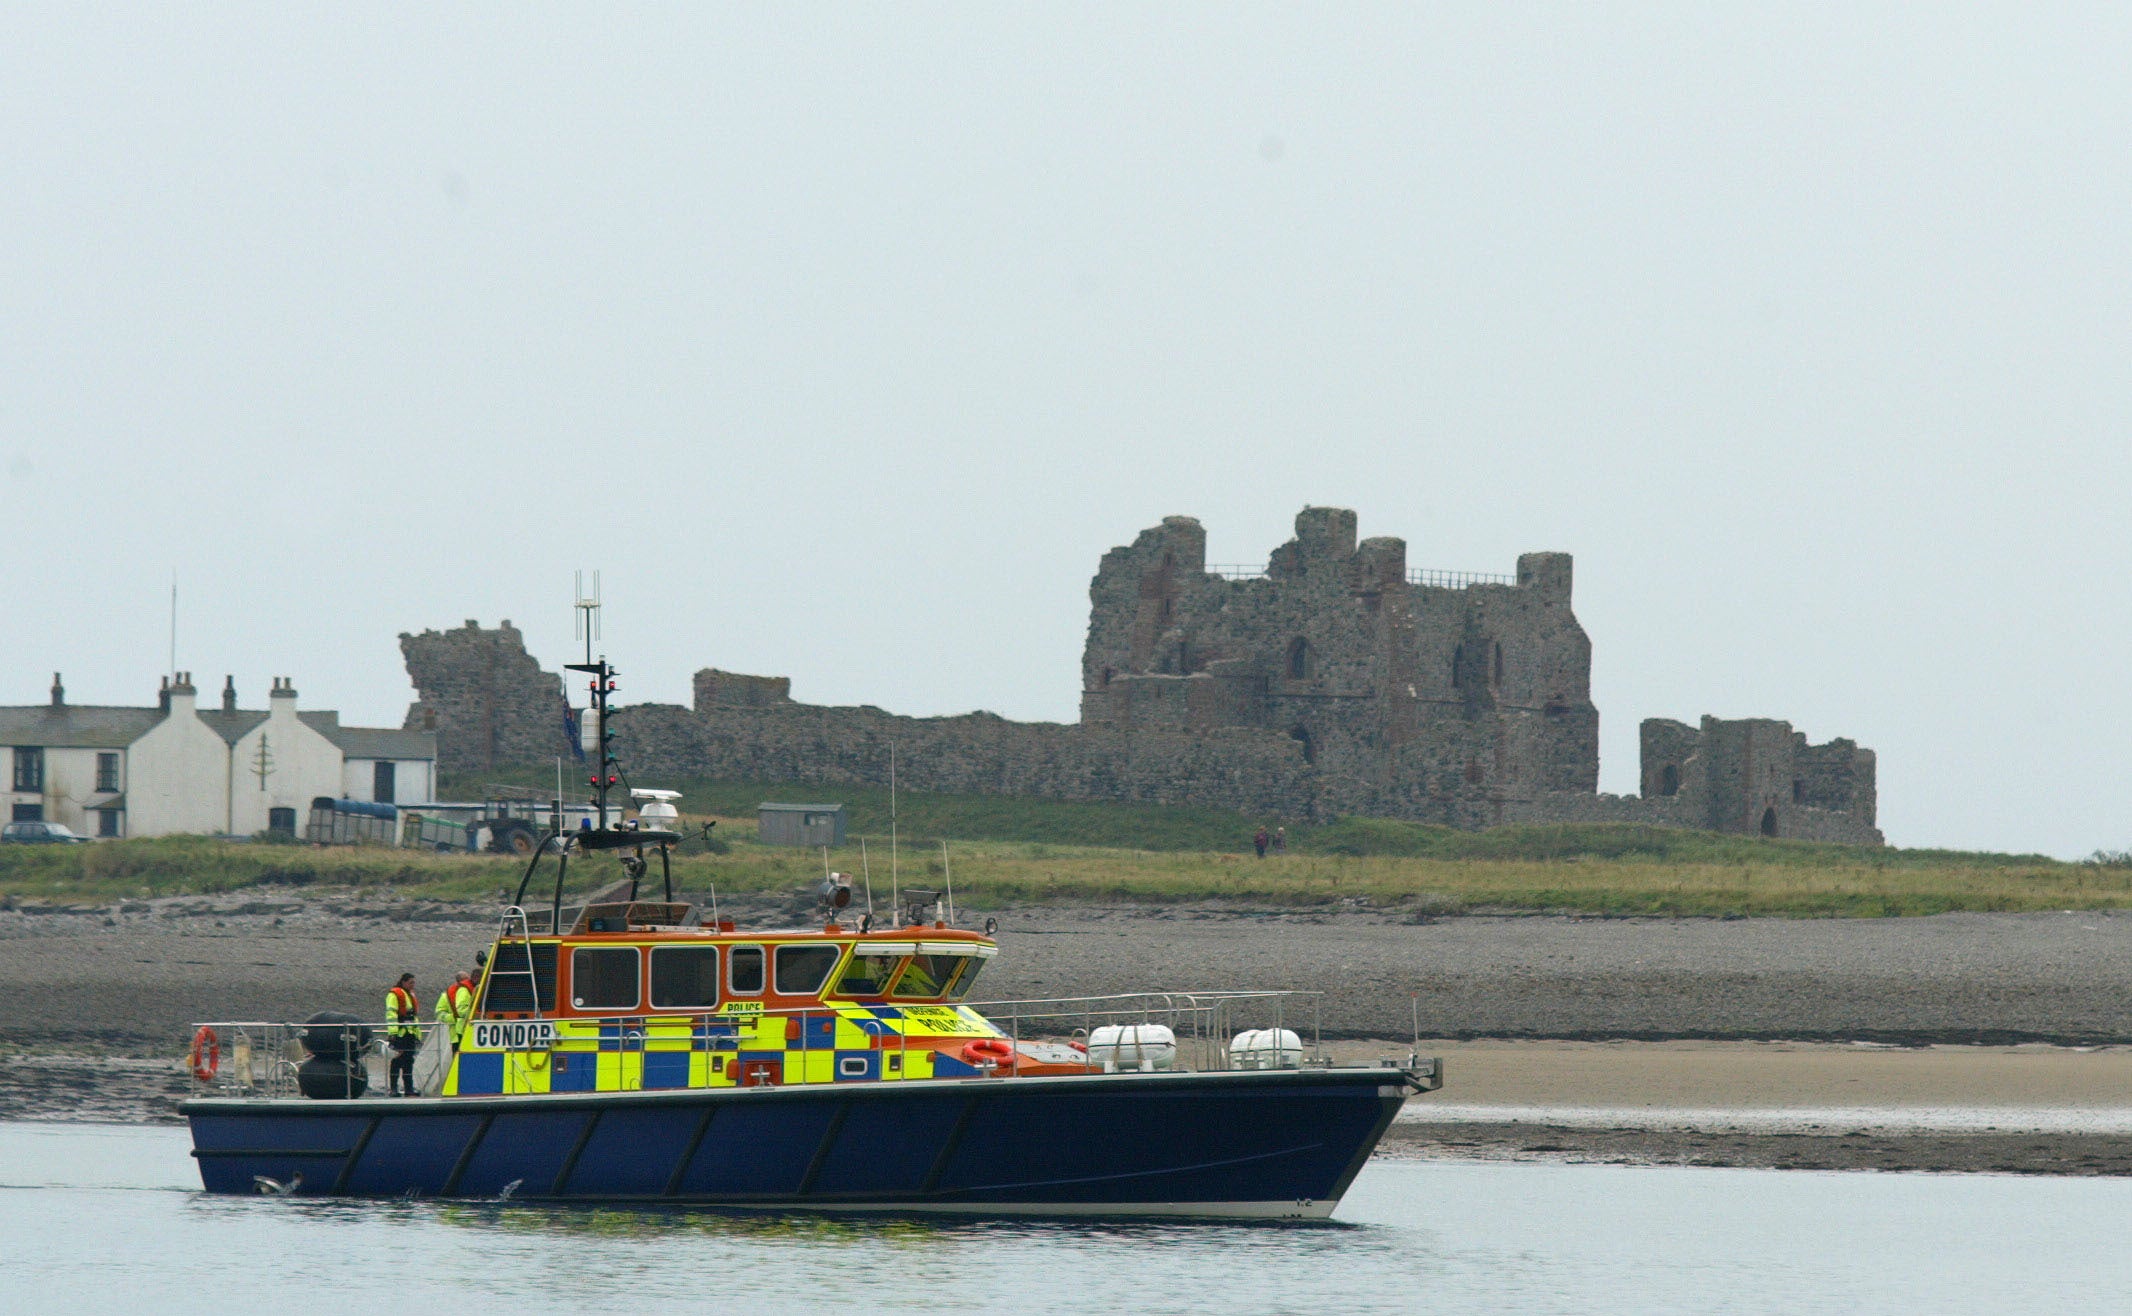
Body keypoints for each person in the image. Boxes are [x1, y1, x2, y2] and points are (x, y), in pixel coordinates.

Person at [385, 972, 421, 1096]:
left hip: (410, 1033)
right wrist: (393, 1033)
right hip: (399, 1034)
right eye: (411, 982)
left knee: (408, 1062)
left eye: (414, 983)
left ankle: (408, 1089)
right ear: (404, 982)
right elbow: (391, 1014)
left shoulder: (410, 994)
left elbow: (413, 1017)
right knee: (396, 1061)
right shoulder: (394, 994)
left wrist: (417, 1034)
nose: (413, 985)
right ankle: (393, 1089)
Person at [434, 971, 475, 1045]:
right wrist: (454, 1017)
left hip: (470, 1030)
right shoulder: (445, 996)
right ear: (458, 982)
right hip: (455, 1035)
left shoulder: (471, 992)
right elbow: (439, 1013)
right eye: (465, 980)